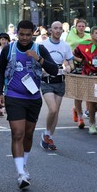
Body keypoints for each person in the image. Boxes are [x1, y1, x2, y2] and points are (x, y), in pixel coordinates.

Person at [0, 20, 58, 189]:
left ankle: (23, 164)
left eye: (28, 35)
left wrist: (38, 59)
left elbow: (54, 70)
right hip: (13, 96)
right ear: (17, 33)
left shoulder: (39, 49)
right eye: (21, 34)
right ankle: (20, 174)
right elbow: (0, 71)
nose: (24, 38)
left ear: (33, 34)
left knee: (28, 134)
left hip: (33, 98)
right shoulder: (9, 49)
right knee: (18, 133)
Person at [40, 21, 74, 151]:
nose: (58, 31)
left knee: (56, 112)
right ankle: (46, 134)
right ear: (50, 30)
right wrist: (42, 69)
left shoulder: (65, 46)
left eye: (60, 28)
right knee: (53, 109)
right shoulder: (43, 45)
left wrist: (69, 68)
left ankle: (49, 136)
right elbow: (36, 62)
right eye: (56, 28)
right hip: (46, 81)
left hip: (60, 81)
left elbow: (71, 63)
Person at [73, 26, 97, 135]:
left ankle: (88, 112)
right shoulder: (84, 45)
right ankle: (91, 124)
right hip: (87, 76)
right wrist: (81, 61)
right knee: (90, 99)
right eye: (96, 33)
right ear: (92, 35)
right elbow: (73, 55)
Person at [66, 19, 91, 129]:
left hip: (88, 66)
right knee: (78, 92)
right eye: (79, 26)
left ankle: (77, 109)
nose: (81, 28)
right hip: (75, 65)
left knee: (87, 91)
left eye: (82, 26)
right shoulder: (70, 36)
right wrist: (78, 60)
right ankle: (80, 117)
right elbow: (68, 52)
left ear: (85, 27)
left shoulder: (88, 37)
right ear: (75, 27)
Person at [0, 33, 11, 116]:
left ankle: (7, 106)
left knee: (7, 89)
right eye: (2, 39)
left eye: (5, 39)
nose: (4, 41)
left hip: (8, 72)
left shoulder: (10, 49)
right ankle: (1, 107)